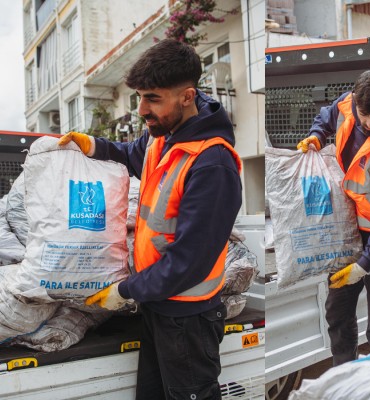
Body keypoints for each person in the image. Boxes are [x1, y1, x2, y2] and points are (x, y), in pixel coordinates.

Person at [60, 39, 242, 400]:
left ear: (188, 96)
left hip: (187, 316)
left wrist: (125, 291)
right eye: (139, 97)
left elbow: (189, 261)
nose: (142, 109)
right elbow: (132, 153)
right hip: (158, 305)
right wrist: (93, 145)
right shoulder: (164, 137)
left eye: (153, 99)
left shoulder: (212, 164)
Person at [297, 69, 370, 365]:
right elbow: (326, 117)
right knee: (337, 312)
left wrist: (364, 265)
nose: (369, 123)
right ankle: (345, 376)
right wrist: (316, 135)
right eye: (365, 115)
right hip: (344, 230)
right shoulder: (346, 104)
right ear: (354, 101)